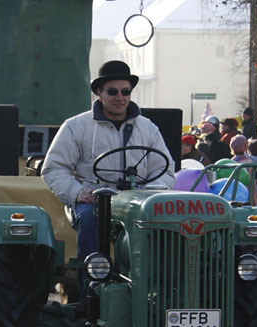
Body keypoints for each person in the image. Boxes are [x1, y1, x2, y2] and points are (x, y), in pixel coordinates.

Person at [42, 60, 174, 282]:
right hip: (95, 201)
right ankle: (90, 290)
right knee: (88, 218)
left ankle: (157, 285)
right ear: (99, 93)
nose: (120, 97)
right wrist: (77, 193)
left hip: (136, 203)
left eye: (125, 92)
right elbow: (54, 168)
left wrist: (148, 195)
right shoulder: (76, 126)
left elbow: (165, 170)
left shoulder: (148, 128)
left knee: (166, 222)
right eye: (112, 92)